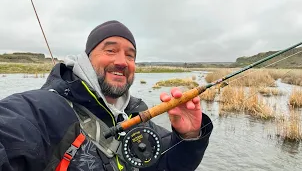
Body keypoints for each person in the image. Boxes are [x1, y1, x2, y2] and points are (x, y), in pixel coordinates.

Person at [0, 20, 213, 171]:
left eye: (130, 55)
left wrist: (189, 136)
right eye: (110, 50)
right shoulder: (43, 110)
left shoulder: (138, 117)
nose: (122, 61)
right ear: (86, 59)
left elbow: (170, 165)